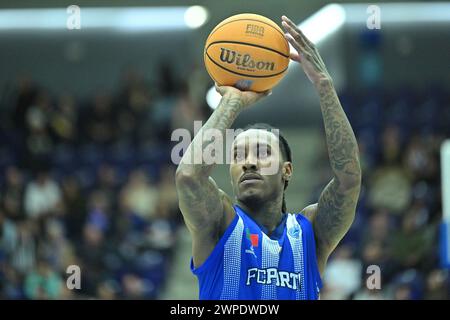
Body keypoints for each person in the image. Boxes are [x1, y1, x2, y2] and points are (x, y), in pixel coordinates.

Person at [175, 15, 361, 300]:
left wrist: (324, 85)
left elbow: (348, 180)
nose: (248, 161)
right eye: (238, 155)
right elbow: (189, 177)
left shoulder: (310, 232)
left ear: (287, 170)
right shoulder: (219, 221)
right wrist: (233, 101)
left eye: (262, 153)